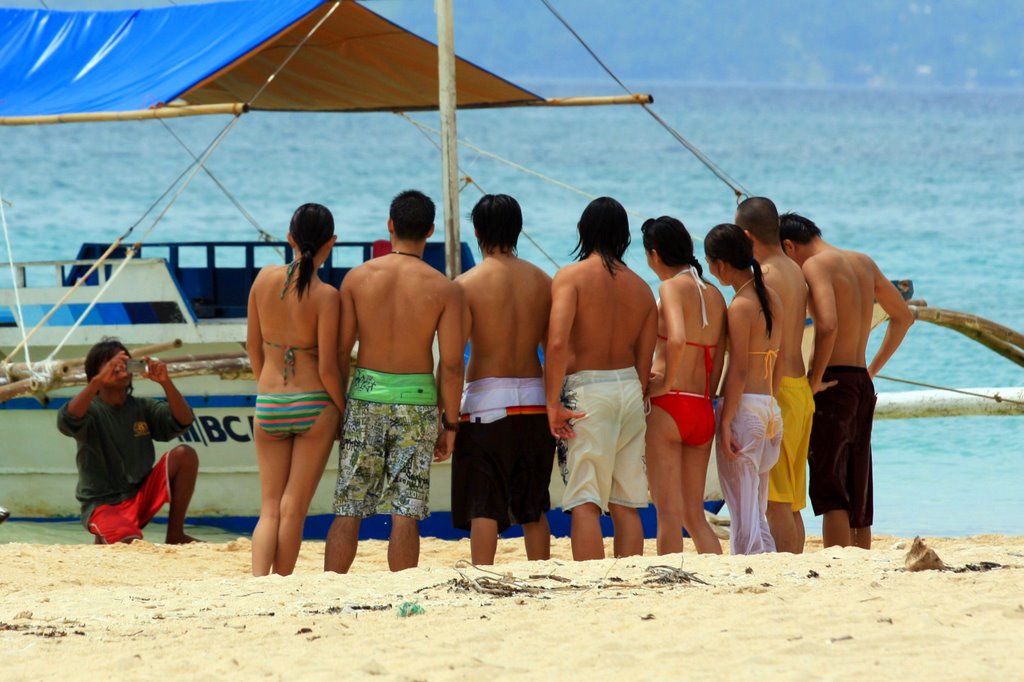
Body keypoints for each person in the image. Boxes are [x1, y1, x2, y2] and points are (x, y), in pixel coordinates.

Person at [324, 189, 463, 573]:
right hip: (417, 403)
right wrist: (449, 422)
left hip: (364, 397)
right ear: (430, 230)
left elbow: (338, 353)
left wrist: (339, 409)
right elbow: (451, 365)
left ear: (390, 225)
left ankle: (332, 586)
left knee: (348, 507)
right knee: (406, 511)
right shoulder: (444, 288)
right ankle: (403, 592)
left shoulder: (356, 279)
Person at [780, 212, 913, 549]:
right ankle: (860, 559)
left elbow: (827, 325)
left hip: (833, 382)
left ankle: (837, 560)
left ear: (788, 246)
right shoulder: (862, 262)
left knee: (832, 487)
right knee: (858, 483)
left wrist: (814, 377)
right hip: (859, 380)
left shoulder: (816, 266)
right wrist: (871, 370)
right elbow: (903, 317)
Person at [545, 197, 658, 562]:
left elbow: (558, 342)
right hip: (629, 389)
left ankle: (592, 581)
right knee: (626, 501)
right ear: (624, 236)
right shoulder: (641, 288)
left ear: (584, 230)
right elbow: (644, 362)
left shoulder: (571, 277)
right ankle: (629, 577)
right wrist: (637, 395)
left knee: (585, 498)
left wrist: (552, 403)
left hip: (588, 391)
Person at [452, 194, 555, 565]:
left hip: (485, 402)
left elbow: (451, 361)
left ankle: (483, 575)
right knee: (533, 505)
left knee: (484, 503)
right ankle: (541, 572)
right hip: (534, 397)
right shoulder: (544, 282)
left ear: (477, 231)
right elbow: (554, 350)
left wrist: (446, 417)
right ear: (518, 229)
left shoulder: (466, 285)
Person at [246, 203, 344, 576]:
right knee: (294, 505)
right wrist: (343, 408)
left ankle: (258, 581)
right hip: (314, 404)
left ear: (289, 239)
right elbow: (327, 368)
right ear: (330, 243)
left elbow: (253, 347)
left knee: (269, 505)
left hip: (269, 401)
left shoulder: (263, 279)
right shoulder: (326, 296)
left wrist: (266, 386)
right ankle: (283, 581)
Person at [57, 338, 199, 544]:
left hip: (140, 496)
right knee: (127, 540)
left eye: (125, 364)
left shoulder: (142, 407)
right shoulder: (91, 409)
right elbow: (67, 420)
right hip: (103, 504)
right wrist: (96, 381)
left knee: (185, 455)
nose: (121, 370)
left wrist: (165, 382)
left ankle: (175, 534)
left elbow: (183, 420)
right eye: (112, 365)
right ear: (96, 372)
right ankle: (108, 532)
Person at [642, 216, 725, 555]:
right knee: (695, 514)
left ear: (655, 255)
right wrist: (709, 393)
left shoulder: (670, 288)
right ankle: (716, 576)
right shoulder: (715, 295)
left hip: (670, 405)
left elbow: (675, 340)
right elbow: (719, 357)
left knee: (668, 513)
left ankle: (670, 581)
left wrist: (661, 384)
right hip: (702, 406)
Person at [735, 197, 813, 554]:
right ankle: (797, 563)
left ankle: (789, 569)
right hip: (800, 389)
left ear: (747, 235)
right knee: (792, 500)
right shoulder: (794, 268)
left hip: (777, 389)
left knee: (776, 500)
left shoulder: (764, 277)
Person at [705, 224, 783, 556]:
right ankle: (768, 559)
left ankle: (751, 565)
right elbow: (780, 359)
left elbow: (736, 368)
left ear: (720, 265)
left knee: (741, 505)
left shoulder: (740, 306)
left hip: (745, 408)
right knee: (756, 503)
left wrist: (724, 421)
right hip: (768, 406)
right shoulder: (773, 298)